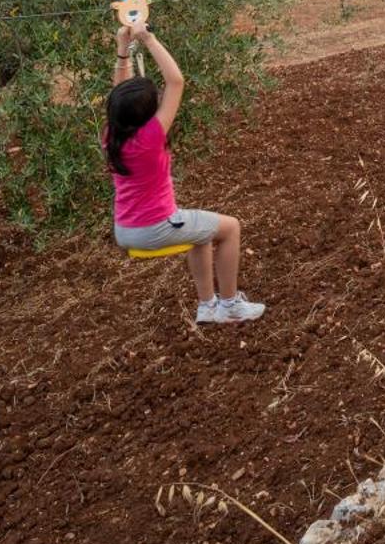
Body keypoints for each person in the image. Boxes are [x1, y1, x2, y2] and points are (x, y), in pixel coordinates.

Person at [104, 16, 265, 324]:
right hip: (154, 227)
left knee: (201, 234)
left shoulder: (112, 134)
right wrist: (148, 39)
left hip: (125, 228)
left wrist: (123, 50)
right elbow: (176, 81)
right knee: (230, 228)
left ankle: (208, 307)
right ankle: (230, 305)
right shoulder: (150, 137)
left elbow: (119, 98)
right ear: (150, 113)